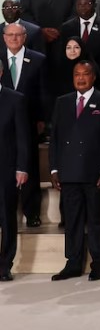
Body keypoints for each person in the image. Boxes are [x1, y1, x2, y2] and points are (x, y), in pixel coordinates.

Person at [48, 59, 100, 280]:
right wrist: (53, 169)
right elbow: (55, 139)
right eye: (77, 74)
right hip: (68, 173)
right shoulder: (62, 102)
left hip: (96, 173)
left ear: (94, 77)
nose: (80, 78)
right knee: (72, 220)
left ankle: (99, 263)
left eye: (85, 74)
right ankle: (73, 263)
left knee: (97, 219)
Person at [2, 24, 46, 227]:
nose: (13, 38)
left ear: (25, 37)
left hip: (28, 121)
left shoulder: (38, 59)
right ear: (3, 37)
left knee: (30, 166)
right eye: (9, 35)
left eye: (17, 35)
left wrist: (41, 119)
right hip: (3, 124)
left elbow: (43, 93)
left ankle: (32, 212)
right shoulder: (0, 60)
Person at [0, 62, 30, 282]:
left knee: (7, 218)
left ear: (1, 72)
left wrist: (22, 167)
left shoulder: (15, 99)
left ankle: (4, 265)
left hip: (6, 170)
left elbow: (23, 138)